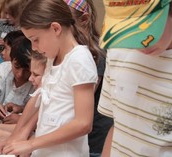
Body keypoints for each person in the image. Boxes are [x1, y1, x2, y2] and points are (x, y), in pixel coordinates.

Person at [0, 0, 98, 156]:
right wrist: (15, 138)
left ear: (55, 28)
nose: (34, 47)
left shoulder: (80, 60)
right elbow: (38, 99)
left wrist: (30, 144)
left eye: (35, 39)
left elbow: (83, 124)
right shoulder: (53, 59)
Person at [98, 0, 172, 156]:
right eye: (127, 30)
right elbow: (118, 126)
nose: (140, 44)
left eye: (146, 29)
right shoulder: (117, 51)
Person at [64, 0, 113, 156]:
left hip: (93, 140)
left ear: (84, 20)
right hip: (69, 135)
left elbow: (72, 104)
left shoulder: (95, 52)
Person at [0, 51, 47, 143]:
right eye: (31, 73)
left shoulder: (47, 95)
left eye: (35, 74)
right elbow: (24, 129)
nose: (29, 78)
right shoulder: (39, 93)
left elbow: (30, 135)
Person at [0, 36, 34, 124]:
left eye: (26, 70)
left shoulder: (37, 80)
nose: (20, 74)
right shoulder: (2, 69)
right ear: (11, 60)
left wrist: (21, 118)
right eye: (16, 67)